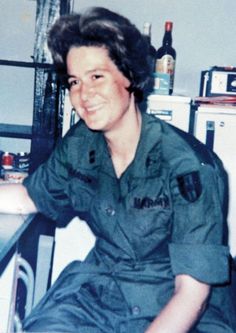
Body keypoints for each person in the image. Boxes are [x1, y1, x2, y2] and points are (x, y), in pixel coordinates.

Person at [0, 6, 235, 333]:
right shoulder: (81, 143)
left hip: (181, 307)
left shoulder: (190, 166)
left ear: (129, 77)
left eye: (97, 76)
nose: (83, 94)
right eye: (74, 81)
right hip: (102, 292)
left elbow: (192, 294)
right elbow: (29, 196)